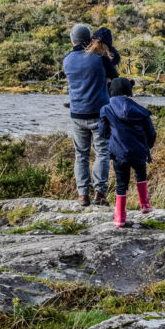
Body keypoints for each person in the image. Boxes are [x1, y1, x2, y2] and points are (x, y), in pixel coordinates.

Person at [63, 24, 111, 206]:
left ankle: (83, 195)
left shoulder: (67, 60)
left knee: (81, 154)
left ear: (72, 40)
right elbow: (113, 74)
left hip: (77, 113)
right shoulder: (98, 59)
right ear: (89, 39)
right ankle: (100, 193)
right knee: (102, 152)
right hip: (99, 112)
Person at [99, 77, 156, 228]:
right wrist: (147, 147)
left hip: (119, 153)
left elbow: (103, 132)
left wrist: (112, 138)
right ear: (129, 91)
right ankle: (145, 204)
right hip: (139, 151)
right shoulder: (140, 110)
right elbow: (151, 133)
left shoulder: (106, 109)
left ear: (112, 91)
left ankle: (119, 218)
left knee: (121, 183)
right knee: (141, 174)